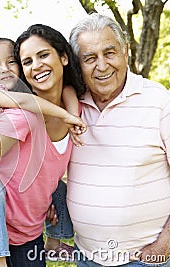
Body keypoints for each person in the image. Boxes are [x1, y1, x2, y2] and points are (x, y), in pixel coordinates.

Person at [0, 24, 86, 266]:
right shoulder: (21, 116)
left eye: (44, 55)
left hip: (31, 233)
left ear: (64, 57)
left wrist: (70, 115)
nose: (36, 65)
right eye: (27, 61)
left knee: (60, 188)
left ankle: (55, 243)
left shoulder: (76, 107)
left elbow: (69, 89)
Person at [66, 13, 170, 266]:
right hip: (87, 257)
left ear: (125, 51)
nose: (101, 66)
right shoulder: (69, 108)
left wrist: (165, 244)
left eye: (109, 53)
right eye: (89, 58)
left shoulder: (159, 101)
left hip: (147, 258)